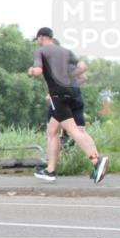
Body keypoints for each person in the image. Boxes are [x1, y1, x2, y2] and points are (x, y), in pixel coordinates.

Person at [29, 27, 108, 183]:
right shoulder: (65, 51)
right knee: (53, 130)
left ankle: (96, 160)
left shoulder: (41, 51)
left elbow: (38, 72)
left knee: (73, 132)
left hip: (58, 95)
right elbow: (83, 68)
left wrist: (31, 70)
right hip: (73, 93)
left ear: (42, 37)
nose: (38, 42)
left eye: (38, 39)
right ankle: (50, 170)